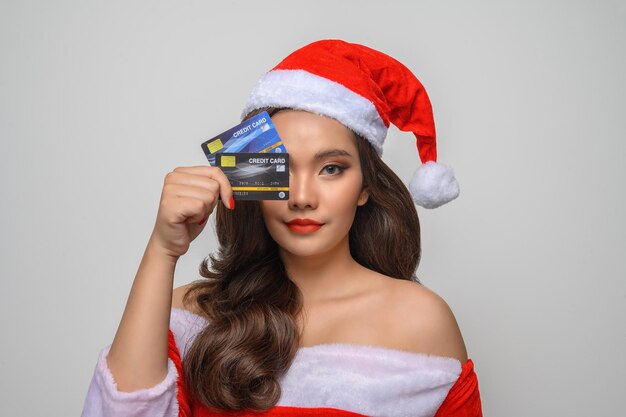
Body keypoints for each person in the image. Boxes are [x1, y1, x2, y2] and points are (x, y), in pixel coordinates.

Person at [81, 39, 482, 417]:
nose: (302, 196)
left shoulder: (421, 321)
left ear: (364, 188)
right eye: (283, 169)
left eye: (331, 168)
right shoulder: (190, 314)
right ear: (253, 179)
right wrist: (162, 251)